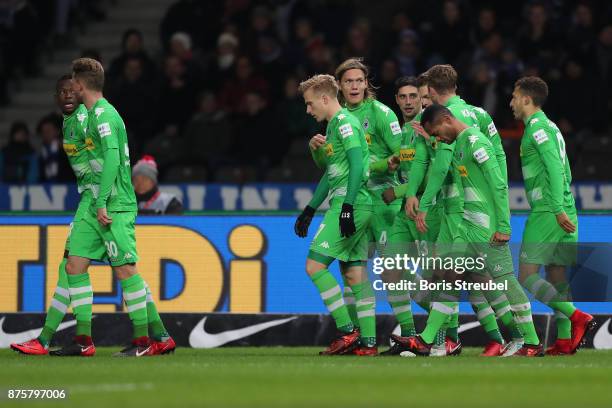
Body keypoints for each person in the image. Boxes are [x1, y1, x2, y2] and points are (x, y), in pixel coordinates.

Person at [398, 104, 544, 357]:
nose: (437, 138)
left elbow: (498, 184)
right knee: (447, 277)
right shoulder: (459, 145)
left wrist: (503, 225)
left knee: (504, 281)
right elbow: (445, 172)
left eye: (436, 133)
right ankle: (426, 340)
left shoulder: (477, 141)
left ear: (446, 119)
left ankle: (531, 341)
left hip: (486, 229)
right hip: (466, 229)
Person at [407, 64, 521, 356]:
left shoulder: (455, 126)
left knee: (468, 277)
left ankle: (519, 337)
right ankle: (502, 337)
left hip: (462, 213)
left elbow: (442, 166)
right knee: (470, 279)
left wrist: (423, 201)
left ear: (431, 92)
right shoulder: (479, 114)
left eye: (424, 96)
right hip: (471, 210)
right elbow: (497, 165)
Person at [67, 58, 172, 357]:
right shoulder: (90, 115)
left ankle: (144, 341)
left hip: (113, 204)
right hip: (94, 202)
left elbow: (112, 159)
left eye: (73, 81)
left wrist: (101, 201)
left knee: (126, 269)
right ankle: (83, 341)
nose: (70, 86)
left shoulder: (104, 115)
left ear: (80, 84)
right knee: (74, 264)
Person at [308, 58, 402, 331]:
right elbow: (331, 169)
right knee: (352, 272)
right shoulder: (334, 120)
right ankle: (362, 337)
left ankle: (420, 334)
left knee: (393, 275)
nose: (354, 86)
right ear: (339, 86)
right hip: (358, 200)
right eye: (348, 81)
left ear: (366, 83)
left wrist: (378, 168)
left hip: (382, 204)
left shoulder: (381, 114)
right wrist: (316, 150)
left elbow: (402, 156)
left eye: (359, 80)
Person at [510, 76, 595, 355]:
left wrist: (556, 209)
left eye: (514, 97)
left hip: (549, 209)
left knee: (526, 275)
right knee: (557, 275)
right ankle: (563, 340)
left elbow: (556, 169)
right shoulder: (550, 127)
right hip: (562, 207)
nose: (511, 103)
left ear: (526, 99)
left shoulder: (538, 129)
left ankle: (577, 316)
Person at [294, 74, 376, 355]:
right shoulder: (334, 129)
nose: (308, 109)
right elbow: (332, 175)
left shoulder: (345, 124)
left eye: (309, 103)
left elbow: (356, 167)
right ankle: (369, 343)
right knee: (354, 274)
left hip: (351, 204)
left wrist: (348, 207)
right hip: (351, 203)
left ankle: (347, 330)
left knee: (314, 266)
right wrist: (310, 208)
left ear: (325, 99)